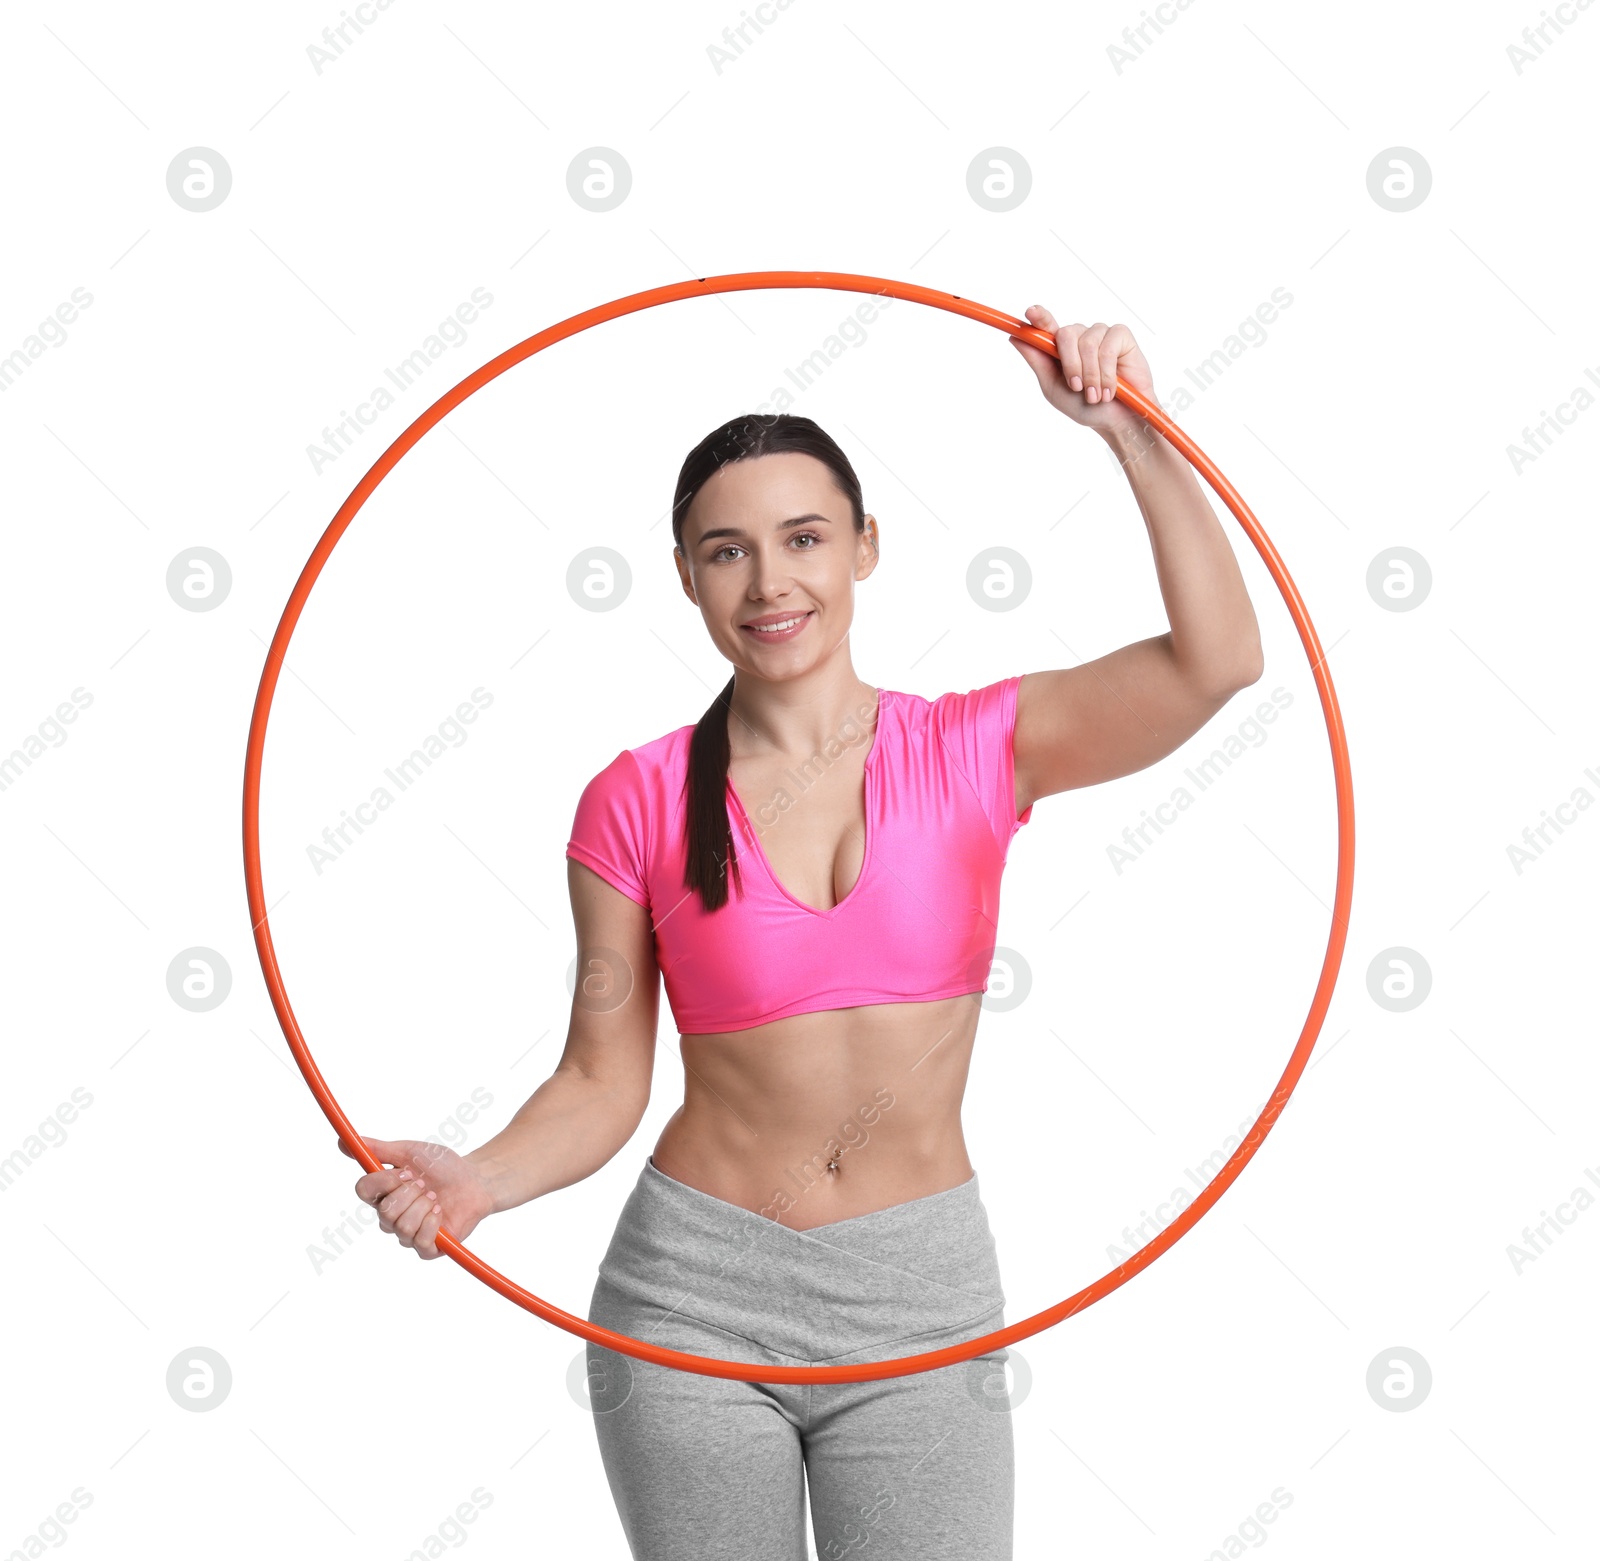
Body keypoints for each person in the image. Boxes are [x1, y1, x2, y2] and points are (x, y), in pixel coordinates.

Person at [345, 308, 1265, 1559]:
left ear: (865, 549)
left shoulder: (978, 749)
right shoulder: (637, 798)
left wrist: (1129, 436)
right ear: (683, 575)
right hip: (691, 1306)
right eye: (725, 551)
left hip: (918, 1295)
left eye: (803, 539)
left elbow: (1217, 665)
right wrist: (481, 1183)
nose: (770, 583)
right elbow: (602, 1078)